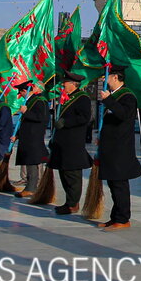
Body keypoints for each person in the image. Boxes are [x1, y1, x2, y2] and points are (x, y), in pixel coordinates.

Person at [97, 66, 141, 230]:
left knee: (119, 185)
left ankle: (123, 219)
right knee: (113, 184)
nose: (104, 79)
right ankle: (115, 217)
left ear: (115, 77)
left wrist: (109, 100)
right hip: (111, 147)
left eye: (107, 76)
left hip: (120, 148)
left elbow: (123, 115)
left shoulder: (127, 96)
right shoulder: (115, 95)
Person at [49, 71, 93, 215]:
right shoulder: (67, 98)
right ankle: (68, 201)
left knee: (72, 174)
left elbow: (85, 118)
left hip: (73, 142)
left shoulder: (82, 98)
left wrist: (66, 122)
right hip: (62, 141)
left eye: (65, 83)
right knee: (63, 172)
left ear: (73, 84)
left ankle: (73, 203)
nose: (63, 85)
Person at [13, 83, 48, 197]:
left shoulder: (39, 101)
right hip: (27, 137)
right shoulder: (29, 101)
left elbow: (41, 117)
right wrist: (17, 135)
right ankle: (30, 186)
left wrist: (26, 112)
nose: (21, 95)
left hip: (34, 137)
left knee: (32, 162)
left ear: (25, 91)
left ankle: (31, 187)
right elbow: (24, 122)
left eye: (21, 92)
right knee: (29, 162)